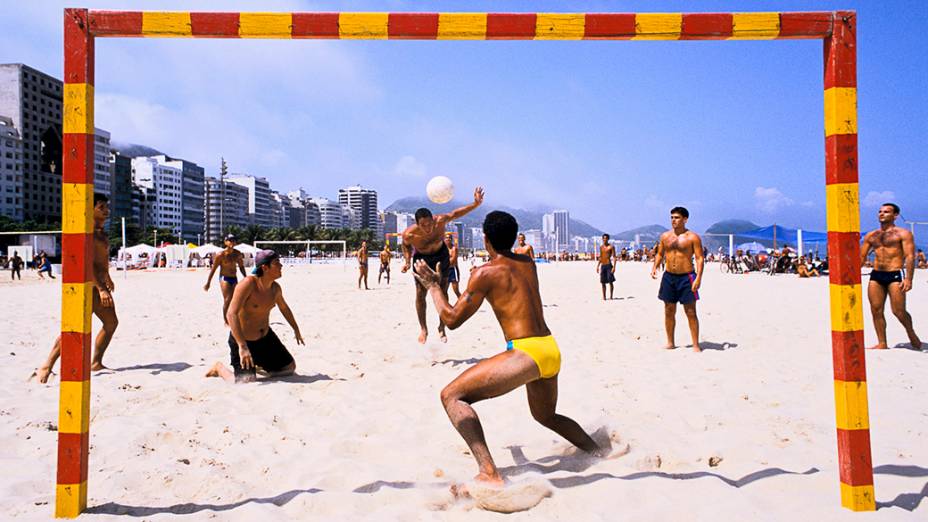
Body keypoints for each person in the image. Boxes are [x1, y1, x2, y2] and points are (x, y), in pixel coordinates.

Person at [413, 211, 606, 488]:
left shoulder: (484, 273)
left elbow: (452, 319)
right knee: (545, 415)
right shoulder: (528, 262)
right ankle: (598, 451)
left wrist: (433, 286)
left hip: (526, 352)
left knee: (452, 396)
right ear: (514, 237)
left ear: (485, 239)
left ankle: (489, 472)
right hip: (549, 348)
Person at [32, 194, 118, 383]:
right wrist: (101, 288)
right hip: (88, 285)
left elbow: (100, 259)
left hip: (100, 283)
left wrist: (107, 276)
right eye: (101, 207)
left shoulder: (101, 232)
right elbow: (86, 264)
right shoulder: (86, 232)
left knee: (111, 323)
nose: (106, 210)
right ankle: (47, 365)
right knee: (75, 327)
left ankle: (95, 362)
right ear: (91, 209)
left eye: (106, 207)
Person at [206, 250, 305, 383]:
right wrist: (242, 346)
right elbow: (231, 313)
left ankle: (258, 363)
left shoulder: (275, 288)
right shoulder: (248, 284)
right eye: (277, 263)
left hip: (265, 339)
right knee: (244, 381)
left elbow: (284, 308)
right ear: (264, 267)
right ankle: (219, 368)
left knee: (289, 368)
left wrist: (296, 328)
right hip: (243, 340)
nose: (281, 266)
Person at [401, 186, 484, 344]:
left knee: (443, 290)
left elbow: (456, 213)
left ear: (434, 219)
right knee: (420, 293)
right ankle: (424, 329)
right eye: (423, 225)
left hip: (441, 255)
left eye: (429, 223)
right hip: (422, 258)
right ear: (417, 224)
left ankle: (441, 326)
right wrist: (406, 261)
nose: (428, 228)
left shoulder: (440, 221)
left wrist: (475, 204)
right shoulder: (409, 234)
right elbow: (405, 246)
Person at [860, 203, 920, 349]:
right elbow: (862, 257)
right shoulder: (871, 235)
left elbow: (910, 256)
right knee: (876, 309)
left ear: (895, 215)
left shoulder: (903, 234)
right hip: (876, 274)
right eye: (880, 211)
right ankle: (882, 342)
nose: (882, 214)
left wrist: (909, 279)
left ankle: (911, 333)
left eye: (886, 212)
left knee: (898, 311)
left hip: (895, 273)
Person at [651, 207, 705, 352]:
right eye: (672, 217)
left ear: (685, 219)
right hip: (669, 276)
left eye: (677, 217)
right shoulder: (665, 236)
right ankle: (670, 342)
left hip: (687, 276)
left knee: (690, 311)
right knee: (669, 310)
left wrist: (698, 277)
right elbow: (660, 253)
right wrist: (654, 266)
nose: (673, 220)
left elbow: (700, 258)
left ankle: (695, 344)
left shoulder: (692, 237)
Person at [203, 234, 247, 324]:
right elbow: (213, 269)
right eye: (230, 240)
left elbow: (241, 267)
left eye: (234, 240)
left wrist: (246, 278)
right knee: (227, 299)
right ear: (225, 242)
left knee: (236, 299)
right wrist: (208, 282)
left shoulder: (237, 254)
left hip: (234, 278)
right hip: (224, 278)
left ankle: (234, 316)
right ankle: (226, 321)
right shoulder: (221, 255)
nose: (232, 242)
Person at [596, 234, 617, 300]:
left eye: (606, 238)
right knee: (603, 282)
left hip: (608, 265)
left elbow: (614, 257)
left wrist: (614, 267)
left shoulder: (611, 247)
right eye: (603, 238)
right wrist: (598, 266)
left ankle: (611, 296)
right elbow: (600, 257)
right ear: (602, 239)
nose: (604, 239)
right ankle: (604, 297)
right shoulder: (601, 247)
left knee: (610, 281)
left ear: (608, 239)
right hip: (603, 265)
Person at [445, 233, 462, 299]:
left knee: (456, 291)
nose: (448, 239)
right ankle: (447, 306)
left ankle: (463, 306)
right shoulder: (443, 249)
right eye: (446, 238)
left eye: (449, 238)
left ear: (451, 239)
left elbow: (453, 259)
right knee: (444, 291)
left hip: (453, 270)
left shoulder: (454, 249)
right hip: (446, 270)